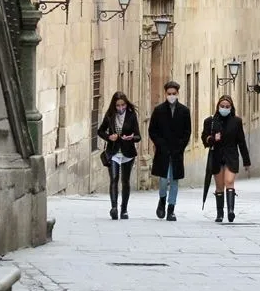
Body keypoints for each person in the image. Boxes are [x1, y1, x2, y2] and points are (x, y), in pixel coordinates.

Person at [201, 95, 251, 222]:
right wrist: (213, 139)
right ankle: (219, 213)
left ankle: (230, 211)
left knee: (229, 181)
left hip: (231, 156)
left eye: (227, 107)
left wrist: (246, 161)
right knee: (219, 185)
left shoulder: (236, 121)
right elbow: (204, 139)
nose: (224, 108)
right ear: (218, 107)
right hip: (216, 156)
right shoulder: (210, 121)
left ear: (231, 107)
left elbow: (241, 142)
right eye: (222, 106)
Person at [148, 80, 191, 221]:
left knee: (174, 180)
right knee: (163, 179)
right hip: (163, 151)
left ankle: (171, 208)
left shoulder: (184, 111)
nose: (171, 96)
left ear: (177, 93)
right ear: (165, 94)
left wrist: (180, 146)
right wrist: (160, 144)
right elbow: (152, 130)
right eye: (169, 93)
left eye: (174, 93)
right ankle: (162, 199)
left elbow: (187, 132)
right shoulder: (159, 110)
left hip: (177, 151)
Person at [96, 92, 141, 220]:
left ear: (126, 104)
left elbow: (138, 136)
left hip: (128, 152)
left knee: (125, 181)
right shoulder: (110, 115)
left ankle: (124, 209)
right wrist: (109, 137)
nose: (121, 108)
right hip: (114, 151)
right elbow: (100, 131)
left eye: (123, 105)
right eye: (118, 105)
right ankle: (114, 207)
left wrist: (131, 138)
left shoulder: (132, 116)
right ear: (114, 105)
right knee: (114, 178)